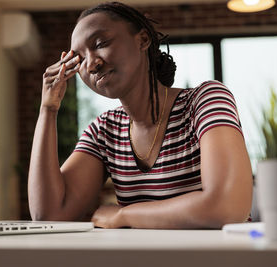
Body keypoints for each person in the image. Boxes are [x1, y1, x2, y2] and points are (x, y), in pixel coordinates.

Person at [28, 1, 253, 229]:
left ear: (143, 40)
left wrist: (122, 216)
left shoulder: (204, 101)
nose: (92, 64)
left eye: (100, 43)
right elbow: (48, 215)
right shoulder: (105, 131)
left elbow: (227, 207)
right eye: (80, 59)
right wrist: (48, 109)